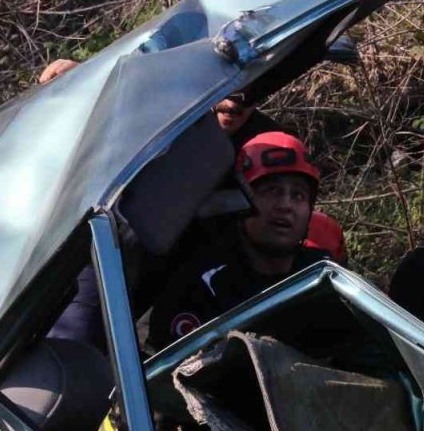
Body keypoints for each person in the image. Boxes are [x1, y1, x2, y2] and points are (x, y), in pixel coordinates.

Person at [147, 131, 328, 349]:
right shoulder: (199, 287)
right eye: (272, 191)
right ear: (241, 201)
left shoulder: (322, 276)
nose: (285, 205)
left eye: (298, 195)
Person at [39, 59, 280, 149]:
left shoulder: (273, 141)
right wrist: (86, 80)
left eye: (249, 93)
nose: (232, 103)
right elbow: (129, 101)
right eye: (227, 88)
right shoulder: (175, 118)